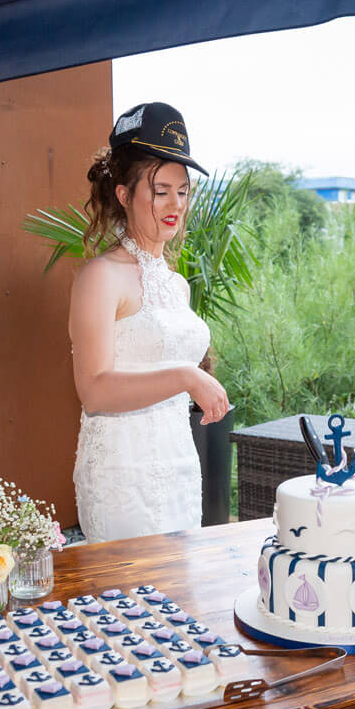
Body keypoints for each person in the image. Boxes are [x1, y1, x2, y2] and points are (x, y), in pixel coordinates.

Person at [69, 102, 229, 543]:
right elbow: (95, 390)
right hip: (121, 478)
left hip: (178, 470)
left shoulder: (178, 286)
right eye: (160, 190)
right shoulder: (100, 277)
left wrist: (189, 380)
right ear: (124, 194)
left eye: (182, 190)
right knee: (127, 607)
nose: (175, 203)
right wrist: (185, 376)